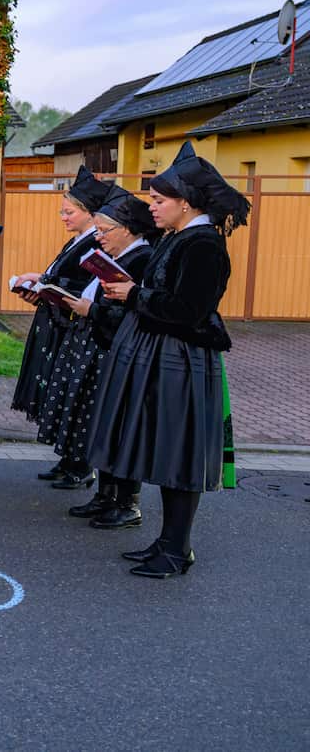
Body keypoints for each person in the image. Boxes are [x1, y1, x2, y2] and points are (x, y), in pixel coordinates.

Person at [85, 142, 250, 579]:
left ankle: (178, 548)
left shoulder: (204, 245)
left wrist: (134, 294)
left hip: (181, 357)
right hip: (162, 352)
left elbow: (188, 311)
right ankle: (167, 540)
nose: (151, 207)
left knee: (178, 451)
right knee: (164, 447)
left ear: (186, 202)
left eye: (159, 201)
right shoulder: (181, 237)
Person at [35, 188, 157, 518]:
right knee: (100, 426)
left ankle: (125, 502)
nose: (99, 237)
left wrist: (92, 311)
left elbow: (137, 312)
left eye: (105, 231)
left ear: (129, 229)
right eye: (99, 231)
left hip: (116, 350)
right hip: (100, 346)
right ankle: (105, 496)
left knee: (117, 427)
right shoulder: (117, 256)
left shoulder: (142, 259)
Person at [9, 165, 113, 481]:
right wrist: (39, 283)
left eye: (69, 212)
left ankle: (79, 463)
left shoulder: (95, 242)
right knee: (60, 392)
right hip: (57, 323)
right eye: (62, 211)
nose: (63, 217)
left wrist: (47, 286)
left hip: (71, 325)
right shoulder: (78, 240)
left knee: (71, 394)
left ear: (89, 214)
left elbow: (85, 285)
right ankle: (68, 458)